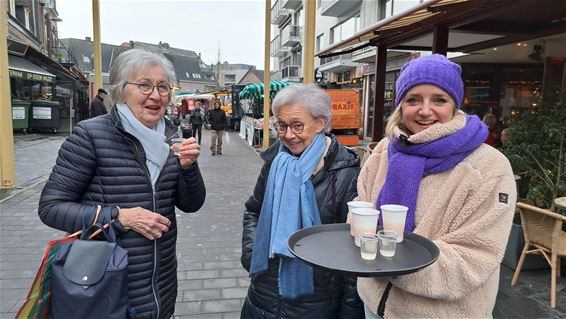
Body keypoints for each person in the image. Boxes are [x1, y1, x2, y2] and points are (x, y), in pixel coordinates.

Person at [38, 49, 206, 319]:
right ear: (120, 90)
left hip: (160, 285)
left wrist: (189, 168)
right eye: (144, 85)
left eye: (163, 86)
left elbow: (191, 204)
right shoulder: (90, 136)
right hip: (105, 284)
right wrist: (120, 217)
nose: (156, 95)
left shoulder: (173, 136)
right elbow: (51, 208)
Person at [356, 54, 516, 318]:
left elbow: (475, 257)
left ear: (455, 104)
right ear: (400, 105)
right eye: (413, 99)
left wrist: (388, 262)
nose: (425, 110)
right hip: (373, 304)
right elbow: (362, 209)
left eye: (439, 100)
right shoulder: (385, 150)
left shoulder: (489, 166)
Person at [240, 84, 364, 319]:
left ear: (320, 123)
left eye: (297, 126)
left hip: (316, 301)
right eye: (282, 126)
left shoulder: (346, 171)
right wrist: (251, 251)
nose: (288, 135)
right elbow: (253, 210)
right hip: (263, 292)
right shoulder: (275, 162)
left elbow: (354, 246)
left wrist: (350, 310)